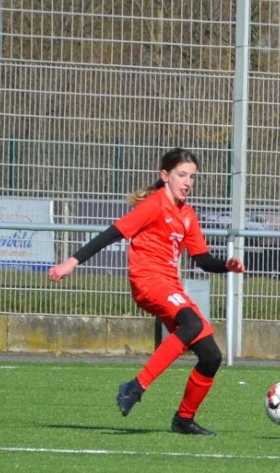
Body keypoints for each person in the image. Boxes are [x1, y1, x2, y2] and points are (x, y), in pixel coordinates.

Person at [48, 148, 245, 435]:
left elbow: (202, 260)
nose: (187, 182)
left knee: (211, 356)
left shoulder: (187, 214)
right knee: (191, 324)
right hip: (148, 281)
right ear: (165, 176)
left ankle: (183, 420)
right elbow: (112, 233)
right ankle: (136, 386)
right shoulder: (154, 205)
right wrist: (71, 262)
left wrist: (226, 265)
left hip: (170, 286)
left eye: (192, 176)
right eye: (181, 175)